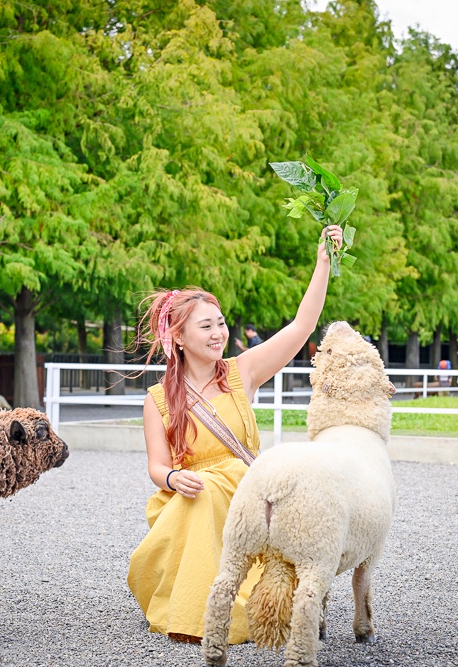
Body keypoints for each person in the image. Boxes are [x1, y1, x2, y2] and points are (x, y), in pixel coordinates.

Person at [127, 225, 345, 645]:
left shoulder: (241, 371)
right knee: (200, 493)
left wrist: (323, 263)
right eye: (205, 326)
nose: (218, 333)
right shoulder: (158, 399)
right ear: (179, 338)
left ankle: (218, 610)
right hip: (190, 494)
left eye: (221, 323)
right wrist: (174, 478)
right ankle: (192, 612)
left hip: (247, 491)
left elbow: (301, 327)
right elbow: (157, 466)